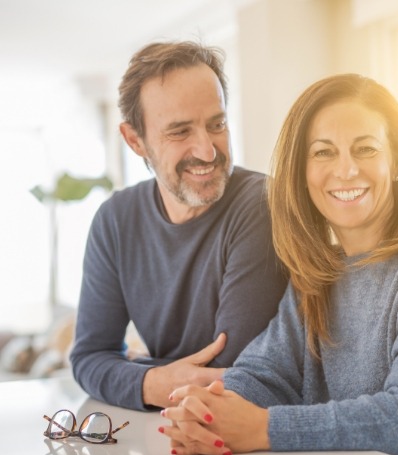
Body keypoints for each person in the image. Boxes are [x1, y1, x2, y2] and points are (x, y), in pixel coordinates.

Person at [160, 74, 398, 455]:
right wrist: (209, 410)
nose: (346, 169)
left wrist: (263, 428)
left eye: (366, 148)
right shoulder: (319, 273)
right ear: (302, 173)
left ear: (395, 164)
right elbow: (267, 374)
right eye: (323, 152)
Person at [70, 41, 287, 411]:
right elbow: (89, 358)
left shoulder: (263, 203)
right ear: (135, 140)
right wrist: (152, 381)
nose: (206, 150)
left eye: (216, 124)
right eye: (180, 131)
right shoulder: (115, 221)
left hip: (250, 440)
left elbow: (230, 373)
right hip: (168, 434)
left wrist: (135, 373)